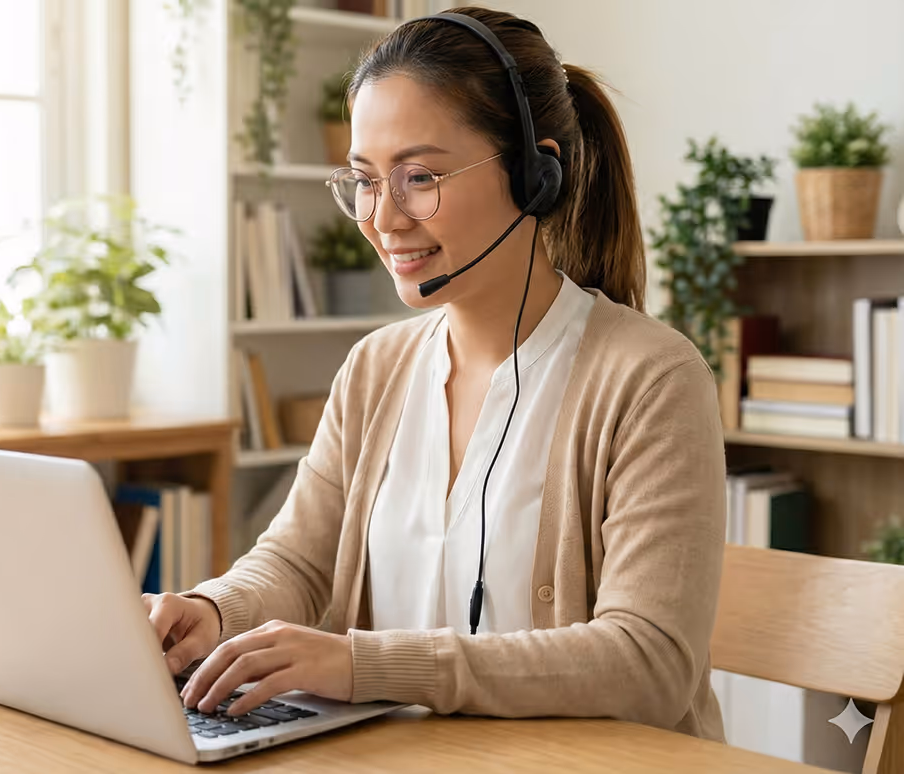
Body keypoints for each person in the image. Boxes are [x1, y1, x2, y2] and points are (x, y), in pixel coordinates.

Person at [143, 6, 726, 741]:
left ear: (533, 172)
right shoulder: (376, 368)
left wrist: (366, 666)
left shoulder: (651, 379)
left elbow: (650, 661)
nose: (384, 217)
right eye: (364, 179)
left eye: (418, 176)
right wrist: (214, 610)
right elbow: (298, 562)